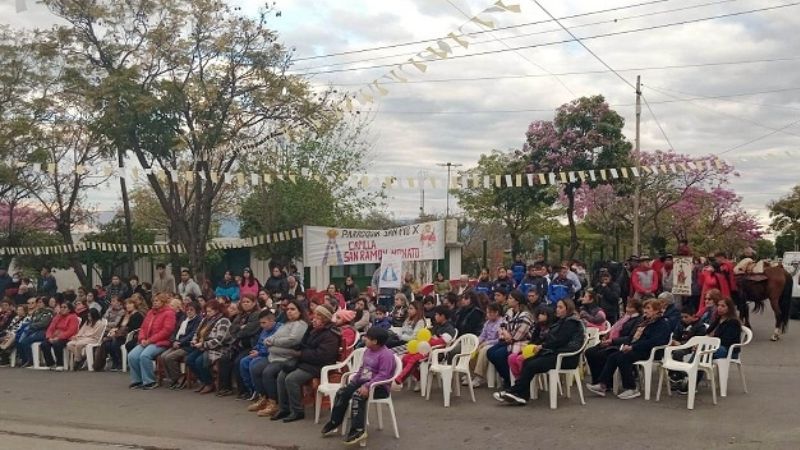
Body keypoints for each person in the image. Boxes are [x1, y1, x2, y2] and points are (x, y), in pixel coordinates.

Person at [493, 299, 585, 405]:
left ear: (567, 309)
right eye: (557, 307)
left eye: (560, 307)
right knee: (527, 361)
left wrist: (542, 346)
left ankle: (515, 392)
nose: (557, 309)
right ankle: (521, 395)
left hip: (565, 358)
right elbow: (551, 338)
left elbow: (560, 341)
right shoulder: (562, 321)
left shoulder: (571, 322)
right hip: (555, 354)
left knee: (532, 365)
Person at [320, 326, 396, 445]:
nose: (364, 339)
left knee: (357, 396)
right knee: (342, 392)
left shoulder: (386, 355)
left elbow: (384, 375)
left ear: (375, 341)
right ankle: (335, 421)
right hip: (364, 382)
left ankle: (358, 430)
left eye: (367, 337)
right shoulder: (368, 350)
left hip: (379, 387)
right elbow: (363, 368)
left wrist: (368, 386)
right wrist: (355, 380)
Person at [586, 299, 671, 399]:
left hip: (651, 351)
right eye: (645, 308)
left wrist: (633, 347)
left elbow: (654, 341)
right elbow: (633, 337)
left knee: (623, 357)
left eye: (648, 308)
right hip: (638, 348)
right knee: (614, 356)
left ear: (656, 310)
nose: (645, 311)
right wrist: (623, 344)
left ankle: (631, 388)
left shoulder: (662, 324)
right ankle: (602, 385)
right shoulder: (645, 322)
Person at [272, 305, 341, 423]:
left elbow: (323, 356)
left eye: (318, 316)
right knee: (281, 375)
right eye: (314, 315)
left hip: (320, 365)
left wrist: (300, 354)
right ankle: (284, 408)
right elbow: (303, 344)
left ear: (325, 318)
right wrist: (295, 349)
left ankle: (297, 411)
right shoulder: (312, 329)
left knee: (291, 379)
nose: (314, 318)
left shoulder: (331, 334)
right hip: (306, 361)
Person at [248, 299, 309, 417]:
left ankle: (273, 402)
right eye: (288, 310)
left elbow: (293, 340)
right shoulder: (286, 324)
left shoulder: (300, 324)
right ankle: (263, 397)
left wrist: (273, 342)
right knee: (255, 368)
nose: (289, 312)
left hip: (286, 358)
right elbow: (272, 337)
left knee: (268, 372)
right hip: (274, 356)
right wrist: (270, 341)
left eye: (293, 309)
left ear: (300, 311)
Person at [394, 305, 456, 389]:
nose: (435, 316)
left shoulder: (449, 329)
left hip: (436, 353)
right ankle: (419, 378)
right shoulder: (436, 326)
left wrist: (429, 340)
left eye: (437, 314)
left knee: (413, 359)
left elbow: (441, 342)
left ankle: (399, 379)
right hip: (425, 349)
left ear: (443, 316)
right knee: (405, 357)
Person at [585, 299, 643, 384]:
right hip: (612, 341)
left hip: (621, 344)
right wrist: (607, 336)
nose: (627, 308)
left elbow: (630, 338)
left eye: (630, 307)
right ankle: (596, 380)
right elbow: (614, 329)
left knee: (601, 355)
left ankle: (605, 382)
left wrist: (612, 341)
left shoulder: (638, 320)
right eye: (627, 306)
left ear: (636, 309)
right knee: (590, 352)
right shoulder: (625, 318)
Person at [128, 293, 177, 390]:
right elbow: (143, 328)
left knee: (145, 355)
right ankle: (137, 380)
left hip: (161, 342)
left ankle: (150, 381)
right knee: (132, 355)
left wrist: (150, 340)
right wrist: (142, 339)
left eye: (157, 301)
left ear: (163, 302)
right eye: (154, 301)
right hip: (146, 341)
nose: (154, 303)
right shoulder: (150, 312)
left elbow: (167, 331)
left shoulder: (169, 313)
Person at [486, 290, 533, 389]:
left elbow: (519, 336)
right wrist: (505, 333)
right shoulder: (509, 312)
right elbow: (502, 326)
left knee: (499, 354)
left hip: (521, 342)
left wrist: (508, 336)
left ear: (517, 301)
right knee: (490, 352)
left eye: (511, 298)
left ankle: (510, 380)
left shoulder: (526, 315)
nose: (508, 300)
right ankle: (506, 377)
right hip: (507, 339)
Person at [217, 294, 262, 397]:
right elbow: (232, 329)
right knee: (224, 359)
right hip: (238, 344)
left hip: (250, 345)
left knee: (239, 361)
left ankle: (245, 391)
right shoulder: (241, 315)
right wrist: (241, 328)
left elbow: (249, 330)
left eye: (248, 302)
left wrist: (241, 329)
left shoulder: (257, 314)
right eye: (243, 302)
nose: (245, 304)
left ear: (254, 303)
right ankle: (225, 388)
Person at [184, 299, 231, 394]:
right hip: (202, 347)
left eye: (210, 311)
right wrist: (194, 340)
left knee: (199, 361)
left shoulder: (223, 321)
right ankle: (204, 381)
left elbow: (218, 340)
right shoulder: (205, 320)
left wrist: (203, 344)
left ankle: (209, 383)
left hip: (217, 348)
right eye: (206, 311)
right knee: (189, 360)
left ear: (217, 310)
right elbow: (197, 332)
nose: (207, 313)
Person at [239, 310, 281, 400]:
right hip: (260, 353)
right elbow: (259, 343)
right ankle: (254, 390)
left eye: (264, 323)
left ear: (272, 321)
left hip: (270, 355)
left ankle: (263, 394)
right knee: (243, 362)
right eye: (260, 323)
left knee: (254, 364)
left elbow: (273, 347)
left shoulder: (279, 329)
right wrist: (255, 349)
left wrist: (259, 353)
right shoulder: (264, 330)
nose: (262, 325)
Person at [159, 301, 201, 388]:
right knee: (162, 356)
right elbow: (175, 330)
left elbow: (192, 334)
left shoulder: (198, 320)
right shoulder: (184, 318)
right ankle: (172, 378)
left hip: (187, 346)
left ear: (196, 311)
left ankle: (179, 379)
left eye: (191, 310)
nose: (189, 311)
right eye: (187, 310)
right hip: (177, 343)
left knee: (170, 357)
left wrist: (180, 342)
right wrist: (174, 340)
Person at [95, 298, 145, 371]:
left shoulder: (137, 315)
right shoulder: (125, 315)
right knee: (106, 344)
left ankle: (121, 362)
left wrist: (123, 329)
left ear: (135, 305)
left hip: (129, 336)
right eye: (127, 304)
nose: (128, 306)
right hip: (120, 335)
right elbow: (118, 325)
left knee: (115, 343)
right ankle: (115, 362)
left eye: (130, 304)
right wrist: (115, 330)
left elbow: (134, 328)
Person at [470, 302, 504, 388]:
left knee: (484, 350)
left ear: (496, 312)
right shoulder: (488, 323)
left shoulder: (502, 323)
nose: (487, 314)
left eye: (489, 312)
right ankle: (472, 373)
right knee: (473, 349)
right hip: (486, 343)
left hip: (496, 345)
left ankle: (479, 377)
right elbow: (483, 335)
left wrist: (486, 343)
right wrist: (477, 342)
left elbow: (500, 340)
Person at [40, 301, 80, 370]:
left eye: (65, 307)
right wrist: (49, 337)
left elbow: (71, 331)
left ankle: (60, 364)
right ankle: (51, 364)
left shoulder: (73, 317)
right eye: (61, 307)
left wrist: (58, 337)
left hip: (67, 337)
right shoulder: (57, 317)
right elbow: (50, 328)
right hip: (54, 337)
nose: (62, 309)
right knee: (44, 344)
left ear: (69, 309)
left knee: (57, 344)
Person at [16, 297, 54, 367]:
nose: (38, 304)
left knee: (27, 340)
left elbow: (44, 324)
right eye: (38, 302)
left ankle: (30, 360)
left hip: (44, 331)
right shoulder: (36, 312)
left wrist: (32, 325)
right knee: (21, 341)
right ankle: (25, 359)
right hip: (34, 330)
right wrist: (31, 325)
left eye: (40, 302)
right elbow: (31, 321)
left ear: (45, 303)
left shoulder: (49, 312)